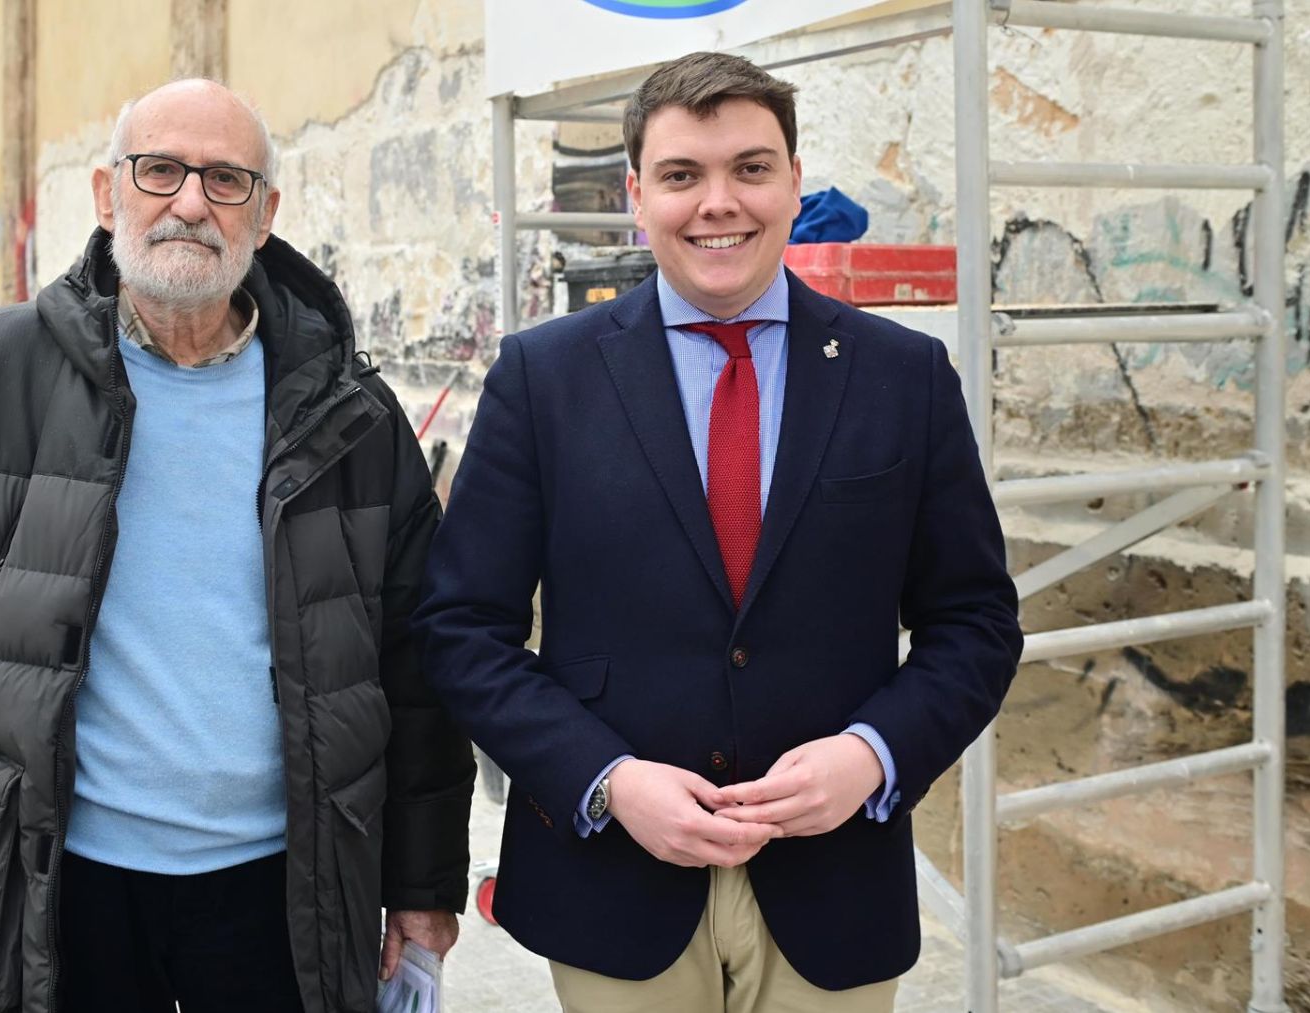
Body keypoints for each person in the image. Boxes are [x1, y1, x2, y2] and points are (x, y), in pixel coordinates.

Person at [0, 78, 474, 1013]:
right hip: (62, 879)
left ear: (267, 211)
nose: (191, 203)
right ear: (106, 192)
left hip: (286, 883)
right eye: (160, 170)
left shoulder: (349, 414)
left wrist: (421, 880)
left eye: (227, 180)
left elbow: (419, 656)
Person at [414, 52, 1023, 1012]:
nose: (718, 203)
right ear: (637, 193)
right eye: (682, 175)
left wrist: (871, 752)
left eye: (749, 167)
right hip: (616, 880)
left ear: (791, 180)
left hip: (835, 885)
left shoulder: (903, 377)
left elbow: (977, 621)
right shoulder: (544, 379)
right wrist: (606, 779)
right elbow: (460, 629)